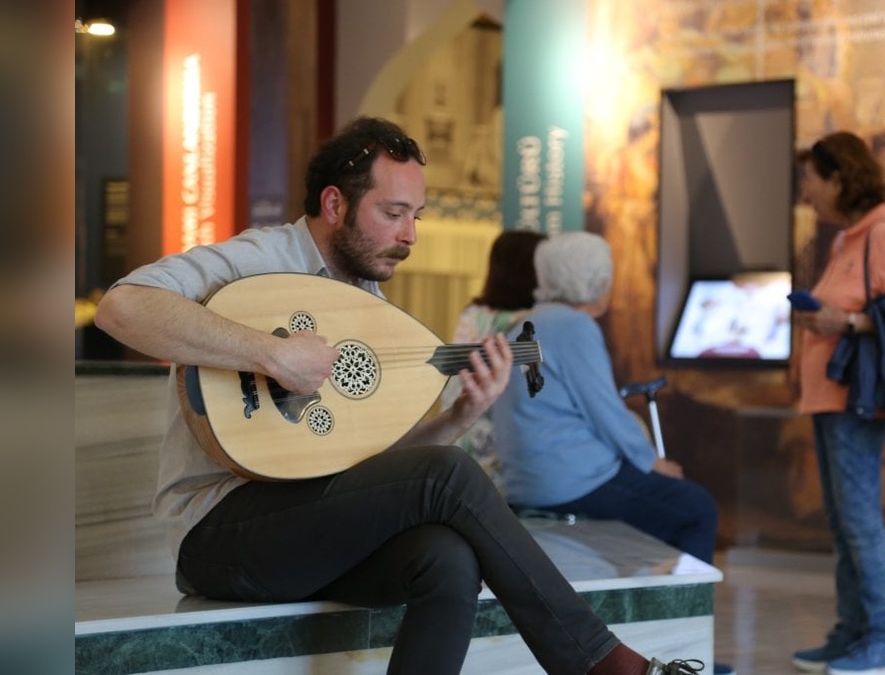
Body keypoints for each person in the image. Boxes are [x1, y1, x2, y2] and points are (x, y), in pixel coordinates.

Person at [93, 117, 703, 675]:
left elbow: (374, 465)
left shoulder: (368, 305)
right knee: (448, 474)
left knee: (446, 559)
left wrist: (462, 413)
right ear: (335, 204)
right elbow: (122, 307)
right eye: (393, 213)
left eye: (417, 216)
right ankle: (599, 663)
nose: (410, 235)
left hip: (304, 523)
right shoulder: (259, 259)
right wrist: (270, 353)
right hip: (218, 535)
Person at [789, 131, 885, 675]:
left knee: (859, 520)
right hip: (829, 398)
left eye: (810, 178)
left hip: (856, 399)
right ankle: (852, 631)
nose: (805, 190)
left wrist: (847, 321)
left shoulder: (884, 236)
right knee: (842, 521)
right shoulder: (845, 240)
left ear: (838, 178)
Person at [491, 231, 720, 565]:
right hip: (570, 481)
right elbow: (605, 410)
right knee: (697, 508)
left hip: (526, 481)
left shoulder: (526, 323)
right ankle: (680, 598)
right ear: (596, 281)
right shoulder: (574, 326)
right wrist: (651, 462)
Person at [437, 229, 547, 495]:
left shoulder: (473, 313)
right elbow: (535, 393)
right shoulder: (530, 322)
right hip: (502, 452)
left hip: (455, 437)